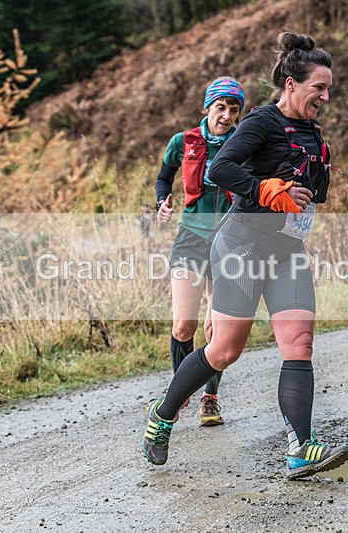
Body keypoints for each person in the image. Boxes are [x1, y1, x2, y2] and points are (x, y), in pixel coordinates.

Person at [142, 31, 348, 479]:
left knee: (299, 343)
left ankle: (301, 449)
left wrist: (307, 185)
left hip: (287, 250)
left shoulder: (314, 133)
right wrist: (265, 189)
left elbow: (310, 195)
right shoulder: (261, 122)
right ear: (291, 84)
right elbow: (220, 168)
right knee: (223, 350)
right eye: (319, 87)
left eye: (328, 88)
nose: (326, 97)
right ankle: (163, 414)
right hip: (241, 245)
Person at [153, 76, 246, 426]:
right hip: (191, 237)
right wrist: (162, 202)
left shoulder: (243, 142)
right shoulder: (183, 141)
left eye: (233, 109)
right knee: (183, 324)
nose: (226, 116)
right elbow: (163, 178)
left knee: (214, 330)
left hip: (229, 241)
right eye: (220, 107)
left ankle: (210, 399)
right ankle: (180, 393)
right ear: (207, 108)